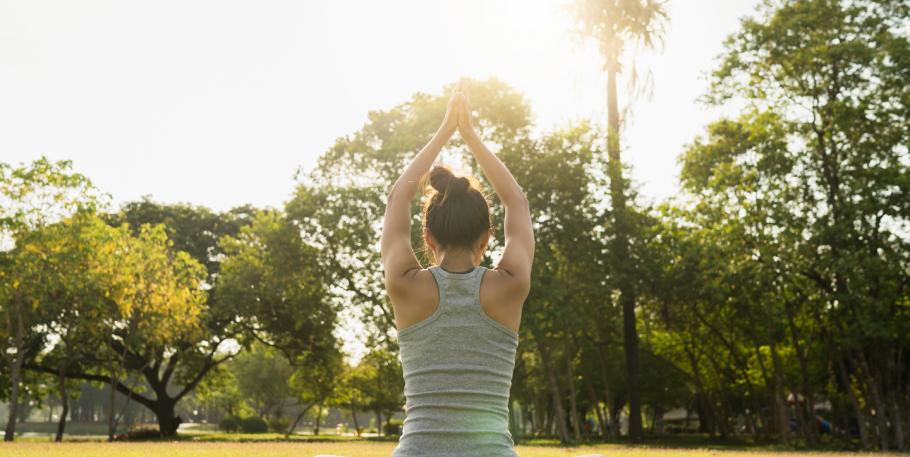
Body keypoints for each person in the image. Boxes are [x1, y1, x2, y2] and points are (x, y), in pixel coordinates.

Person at [381, 79, 534, 457]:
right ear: (486, 238)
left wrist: (445, 130)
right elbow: (517, 202)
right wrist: (470, 135)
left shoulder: (405, 285)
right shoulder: (510, 286)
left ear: (428, 236)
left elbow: (399, 196)